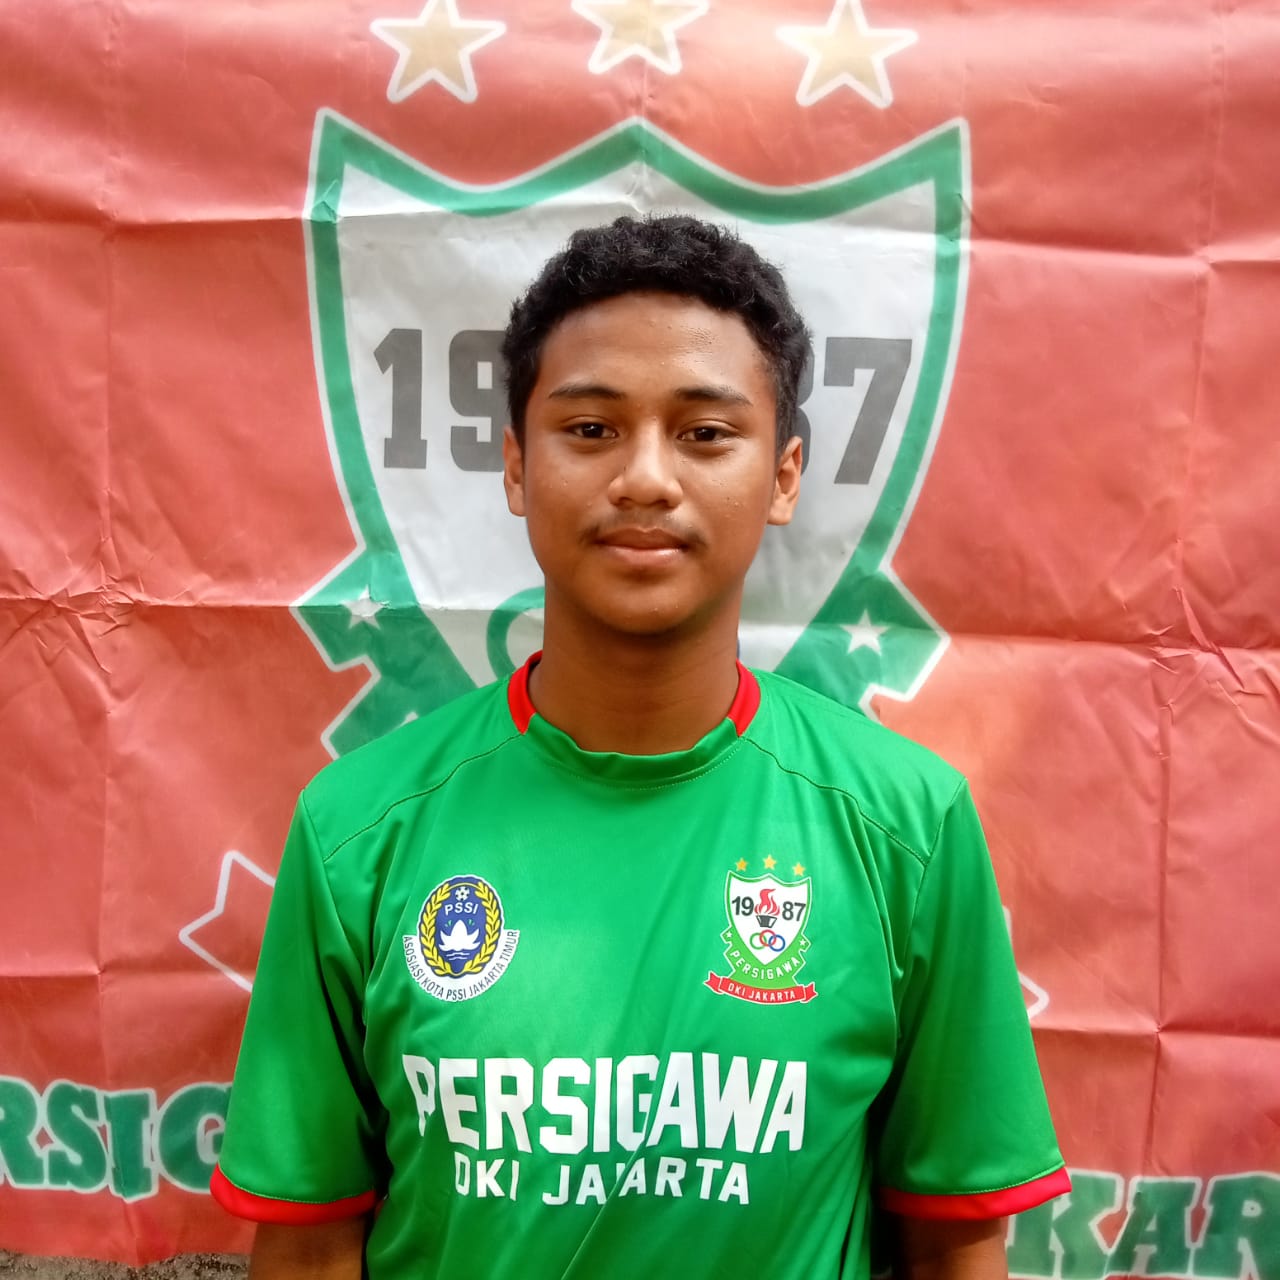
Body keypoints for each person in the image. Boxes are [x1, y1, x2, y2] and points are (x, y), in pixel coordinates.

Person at [212, 215, 1068, 1279]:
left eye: (704, 433)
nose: (646, 479)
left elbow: (953, 1240)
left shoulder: (909, 825)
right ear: (517, 466)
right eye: (590, 429)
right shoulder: (356, 831)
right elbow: (308, 1248)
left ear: (784, 475)